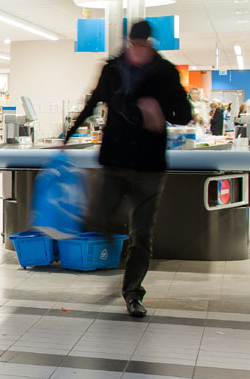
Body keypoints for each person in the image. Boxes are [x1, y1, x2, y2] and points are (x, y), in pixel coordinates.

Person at [64, 20, 192, 318]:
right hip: (114, 161)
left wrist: (162, 114)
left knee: (142, 235)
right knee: (101, 216)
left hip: (149, 165)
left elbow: (185, 114)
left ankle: (132, 293)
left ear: (150, 44)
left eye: (143, 44)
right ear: (128, 42)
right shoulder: (112, 70)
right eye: (134, 44)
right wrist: (67, 137)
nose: (138, 50)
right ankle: (110, 244)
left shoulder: (165, 73)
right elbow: (93, 103)